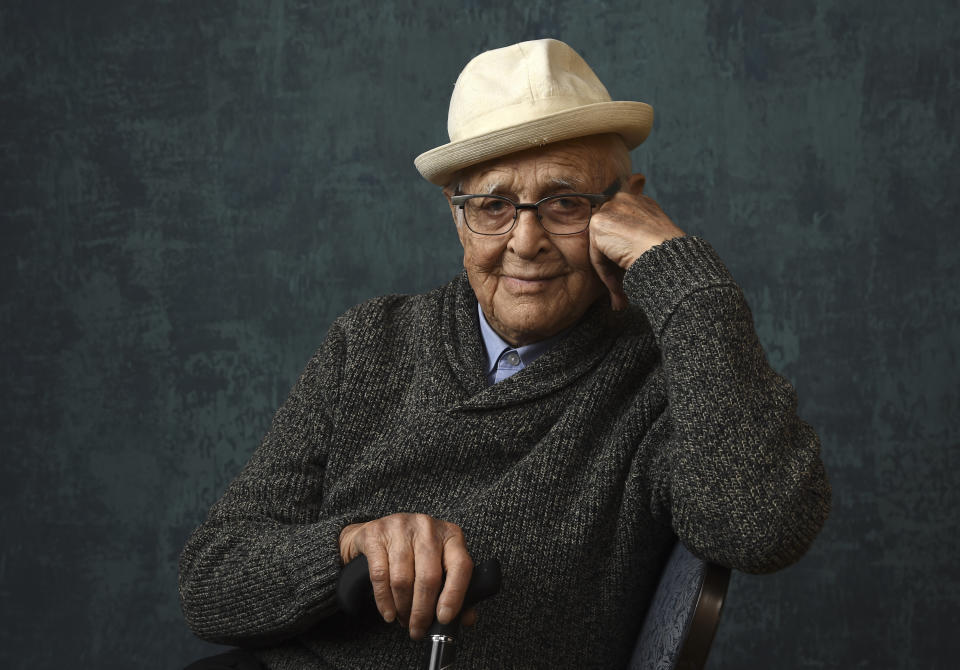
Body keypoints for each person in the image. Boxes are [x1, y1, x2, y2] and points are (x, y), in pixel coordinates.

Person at [179, 38, 831, 669]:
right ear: (455, 213)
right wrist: (349, 546)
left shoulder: (671, 373)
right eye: (492, 205)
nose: (526, 240)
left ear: (627, 204)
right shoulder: (369, 340)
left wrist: (683, 276)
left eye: (565, 203)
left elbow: (759, 529)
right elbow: (212, 583)